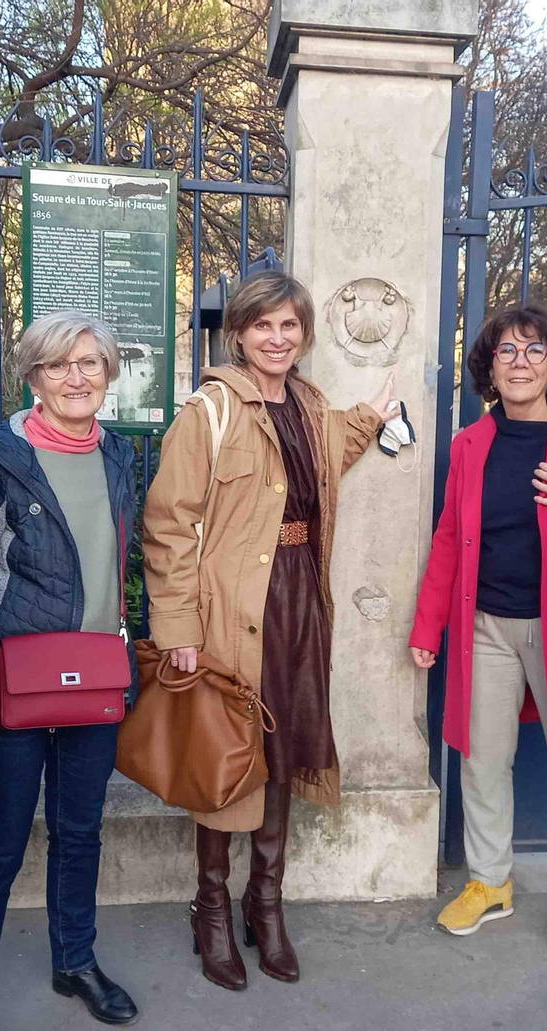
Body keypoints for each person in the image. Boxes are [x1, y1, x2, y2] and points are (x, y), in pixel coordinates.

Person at [142, 270, 399, 990]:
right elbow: (168, 524)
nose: (277, 338)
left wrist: (370, 419)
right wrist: (179, 626)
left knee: (283, 749)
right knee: (229, 755)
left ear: (305, 335)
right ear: (239, 333)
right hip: (233, 610)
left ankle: (266, 903)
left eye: (289, 325)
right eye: (263, 325)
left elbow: (318, 465)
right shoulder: (211, 410)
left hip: (299, 602)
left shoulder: (311, 407)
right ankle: (211, 909)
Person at [0, 311, 140, 1031]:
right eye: (58, 365)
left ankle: (74, 962)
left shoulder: (118, 454)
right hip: (14, 683)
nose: (76, 377)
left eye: (90, 363)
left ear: (109, 373)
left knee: (81, 832)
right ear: (33, 376)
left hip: (97, 676)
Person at [409, 305, 547, 955]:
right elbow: (450, 536)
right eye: (506, 351)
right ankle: (490, 880)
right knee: (482, 758)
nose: (520, 363)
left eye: (534, 351)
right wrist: (429, 626)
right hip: (486, 627)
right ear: (489, 368)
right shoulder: (471, 443)